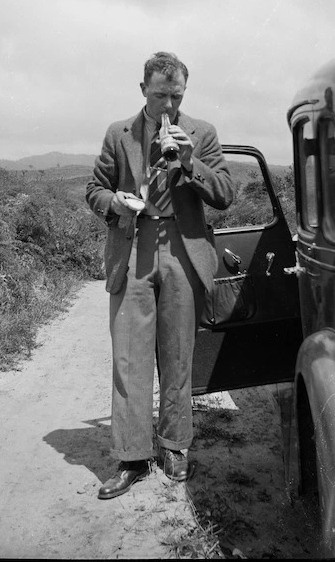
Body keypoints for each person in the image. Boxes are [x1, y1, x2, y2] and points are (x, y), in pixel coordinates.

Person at [86, 51, 233, 500]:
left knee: (177, 354)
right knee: (129, 356)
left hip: (182, 250)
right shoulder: (119, 133)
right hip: (133, 246)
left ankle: (174, 446)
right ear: (143, 90)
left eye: (176, 95)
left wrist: (190, 163)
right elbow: (94, 188)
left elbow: (225, 193)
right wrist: (114, 203)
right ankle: (131, 456)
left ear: (183, 92)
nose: (168, 103)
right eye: (159, 94)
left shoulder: (201, 132)